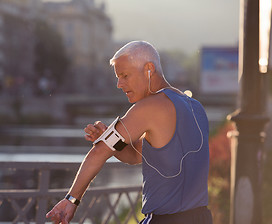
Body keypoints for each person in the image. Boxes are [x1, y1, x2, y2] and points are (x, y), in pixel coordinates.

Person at [46, 41, 212, 224]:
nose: (119, 84)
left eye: (125, 76)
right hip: (201, 217)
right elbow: (136, 155)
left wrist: (71, 200)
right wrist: (109, 139)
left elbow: (99, 152)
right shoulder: (196, 107)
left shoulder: (148, 107)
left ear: (149, 69)